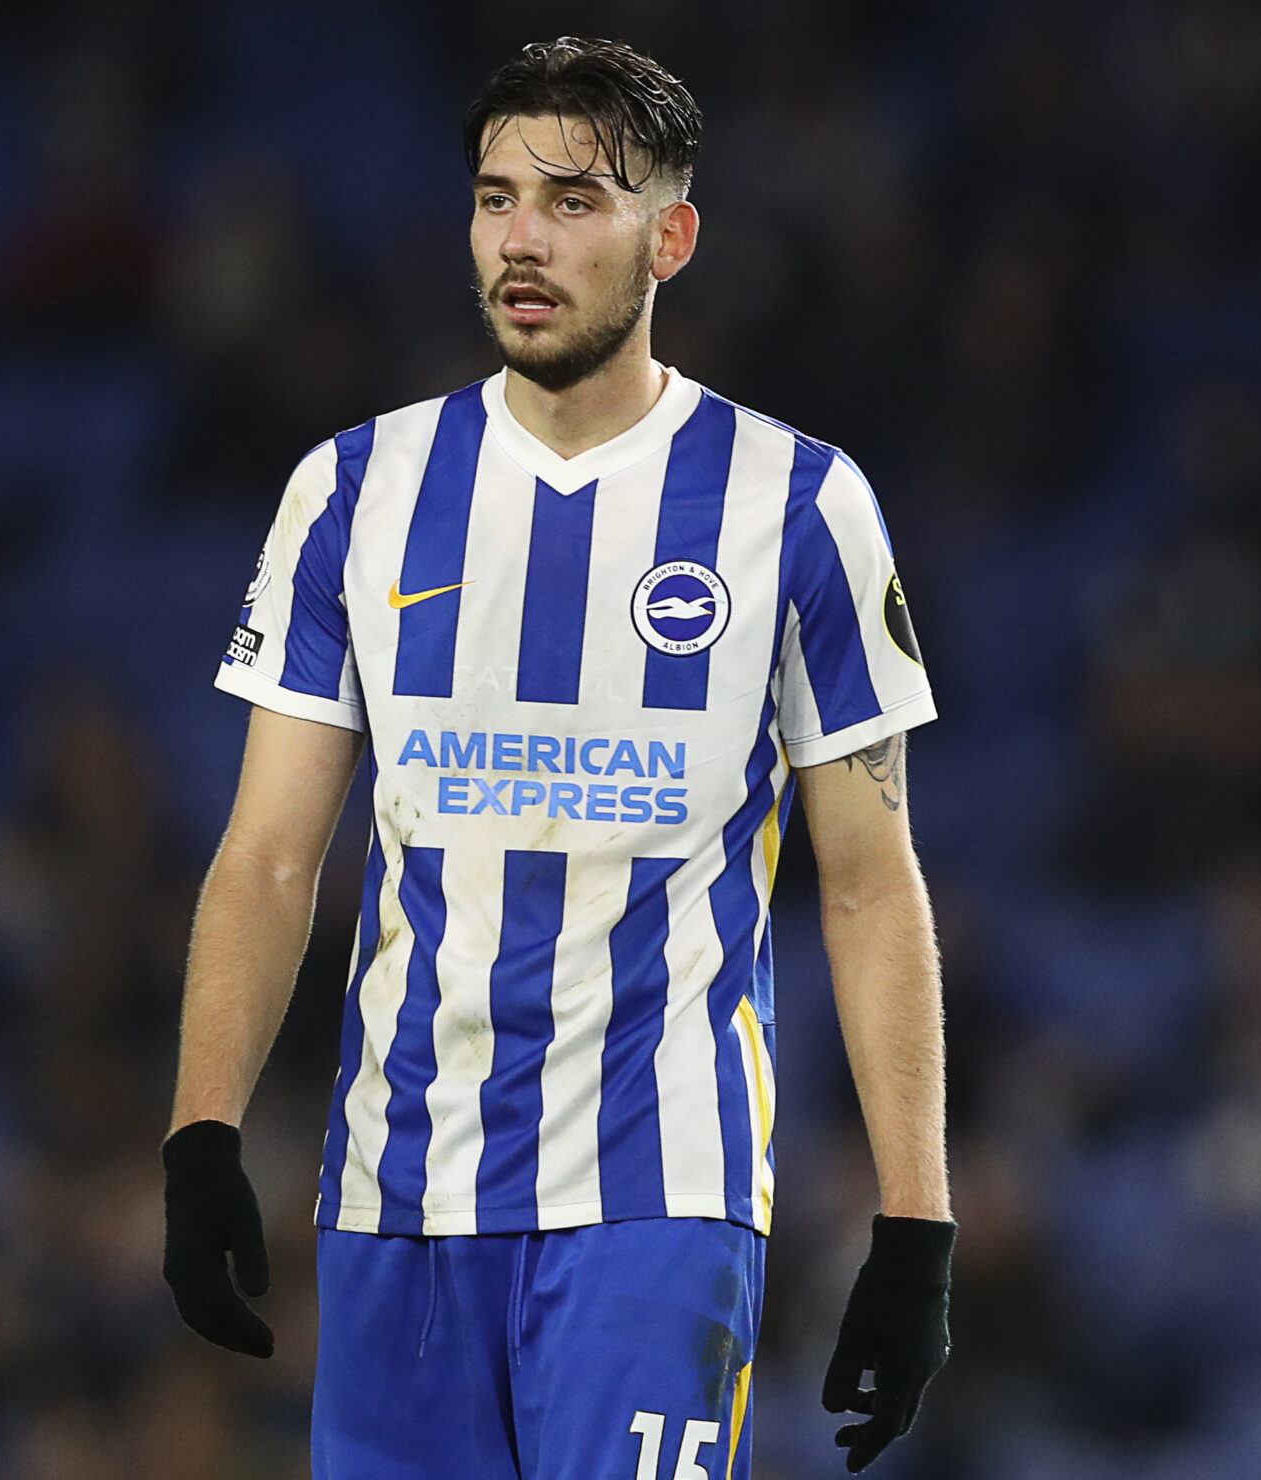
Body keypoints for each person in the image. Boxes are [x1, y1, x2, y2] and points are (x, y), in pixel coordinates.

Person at [162, 36, 952, 1479]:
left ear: (673, 236)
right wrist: (202, 1133)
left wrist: (917, 1223)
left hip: (662, 1195)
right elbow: (272, 855)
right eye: (493, 196)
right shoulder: (353, 489)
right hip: (398, 1193)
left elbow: (869, 881)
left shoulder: (800, 501)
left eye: (575, 200)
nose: (521, 238)